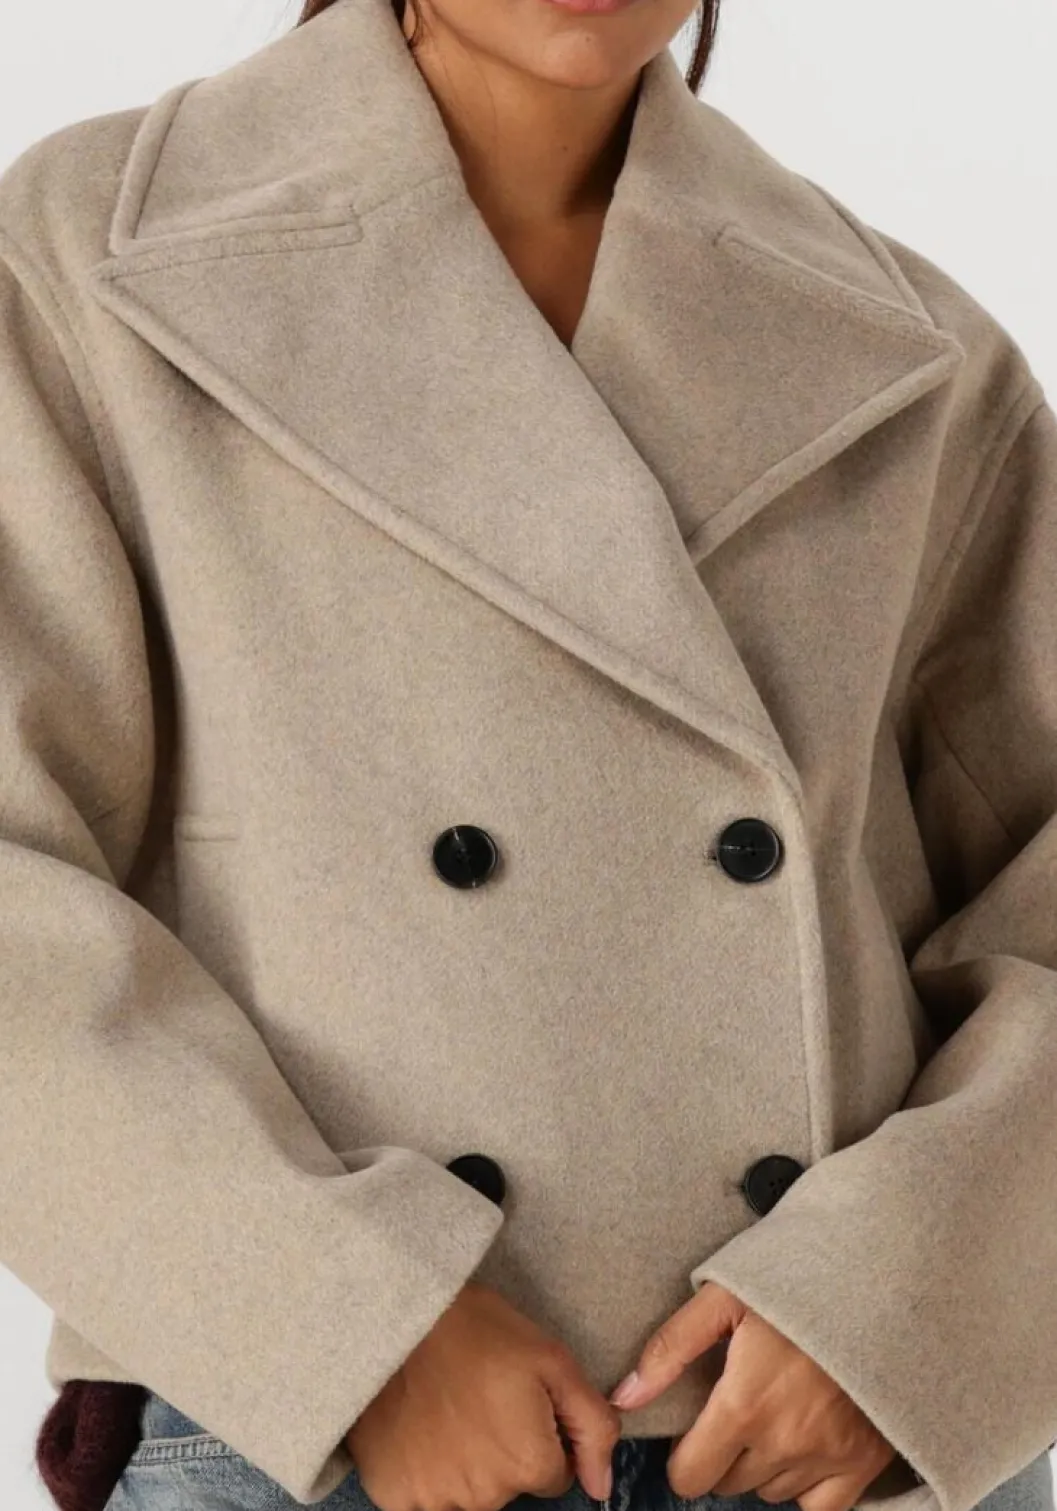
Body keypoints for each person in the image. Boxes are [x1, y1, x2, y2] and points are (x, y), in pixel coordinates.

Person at [3, 0, 1056, 1509]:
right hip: (312, 1434)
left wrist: (909, 1308)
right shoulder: (89, 260)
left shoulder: (917, 350)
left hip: (826, 1442)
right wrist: (355, 1327)